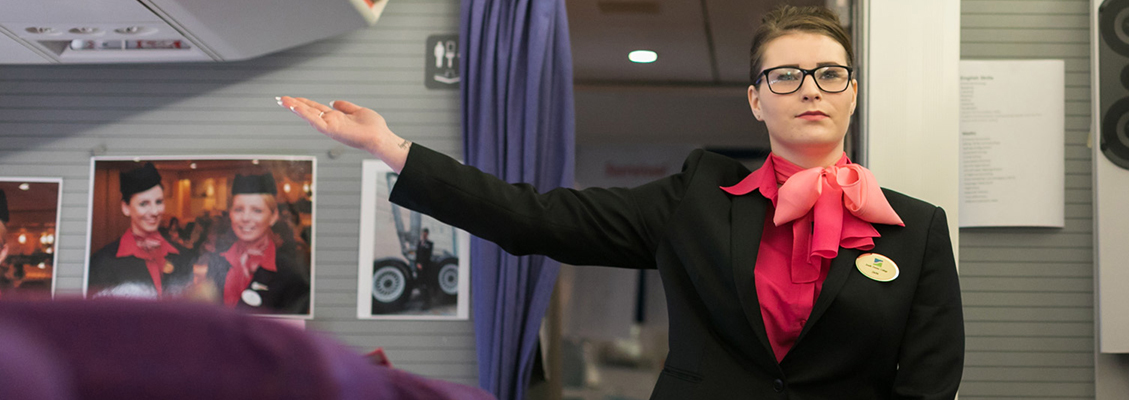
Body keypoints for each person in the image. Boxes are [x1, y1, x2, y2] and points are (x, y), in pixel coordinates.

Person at [280, 5, 963, 398]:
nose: (810, 88)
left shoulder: (916, 229)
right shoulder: (696, 202)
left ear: (852, 92)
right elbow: (535, 218)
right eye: (785, 75)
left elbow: (929, 384)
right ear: (756, 100)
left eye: (829, 74)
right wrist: (393, 147)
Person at [203, 173, 310, 314]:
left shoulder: (290, 271)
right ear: (230, 214)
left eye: (257, 210)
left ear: (273, 216)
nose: (245, 218)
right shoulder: (218, 261)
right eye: (238, 209)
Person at [88, 163, 196, 299]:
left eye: (158, 202)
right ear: (126, 208)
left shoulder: (183, 256)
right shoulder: (104, 262)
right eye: (144, 204)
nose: (154, 211)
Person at [415, 228, 435, 310]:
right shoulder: (419, 243)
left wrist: (422, 264)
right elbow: (417, 254)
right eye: (423, 233)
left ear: (427, 234)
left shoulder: (430, 244)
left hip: (426, 268)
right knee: (421, 286)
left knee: (426, 286)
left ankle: (427, 303)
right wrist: (417, 263)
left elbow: (428, 256)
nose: (424, 235)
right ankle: (423, 301)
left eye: (425, 234)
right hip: (419, 268)